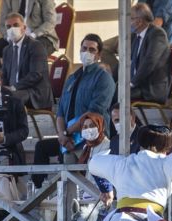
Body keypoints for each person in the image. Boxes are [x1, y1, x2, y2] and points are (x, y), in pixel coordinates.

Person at [32, 34, 115, 187]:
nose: (87, 52)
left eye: (92, 49)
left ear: (99, 55)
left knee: (90, 187)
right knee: (65, 182)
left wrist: (67, 133)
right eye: (84, 48)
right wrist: (62, 136)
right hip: (68, 141)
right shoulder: (71, 78)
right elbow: (61, 112)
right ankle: (37, 195)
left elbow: (94, 112)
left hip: (91, 140)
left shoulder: (103, 78)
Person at [1, 13, 53, 110]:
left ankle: (18, 125)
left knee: (12, 99)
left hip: (33, 91)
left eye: (15, 25)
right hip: (14, 91)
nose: (12, 29)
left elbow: (36, 74)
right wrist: (0, 88)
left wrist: (13, 88)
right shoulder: (7, 50)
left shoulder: (36, 46)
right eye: (8, 26)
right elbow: (4, 75)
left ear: (24, 28)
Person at [0, 0, 59, 65]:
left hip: (42, 36)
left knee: (29, 49)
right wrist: (9, 37)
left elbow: (50, 22)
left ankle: (28, 79)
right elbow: (2, 23)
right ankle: (0, 77)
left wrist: (33, 35)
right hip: (15, 35)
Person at [129, 3, 171, 104]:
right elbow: (129, 62)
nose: (127, 22)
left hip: (151, 89)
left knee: (118, 94)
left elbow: (150, 62)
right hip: (139, 86)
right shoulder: (136, 37)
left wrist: (131, 83)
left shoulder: (157, 34)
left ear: (139, 21)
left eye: (130, 19)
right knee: (111, 90)